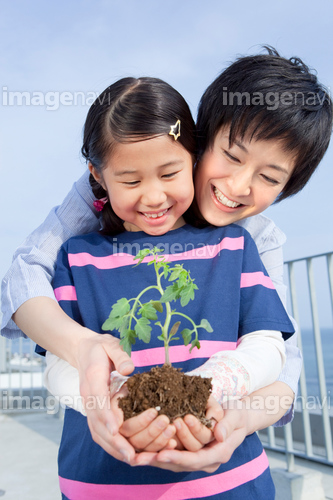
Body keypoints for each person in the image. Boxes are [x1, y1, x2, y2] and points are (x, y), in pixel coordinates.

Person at [1, 46, 331, 474]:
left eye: (269, 178)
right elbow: (27, 271)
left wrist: (234, 424)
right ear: (200, 140)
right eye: (231, 156)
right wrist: (86, 352)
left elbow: (283, 357)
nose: (238, 185)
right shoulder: (107, 193)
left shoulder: (254, 238)